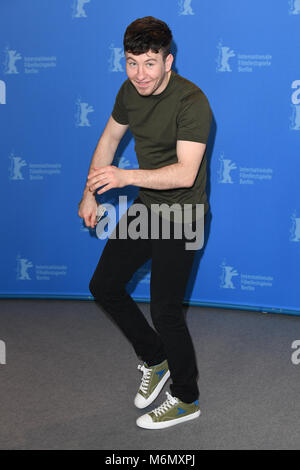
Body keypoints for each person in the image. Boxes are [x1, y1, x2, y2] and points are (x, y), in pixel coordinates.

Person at [78, 16, 212, 430]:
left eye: (150, 63)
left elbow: (186, 173)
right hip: (149, 209)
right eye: (132, 62)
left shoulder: (192, 102)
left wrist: (125, 177)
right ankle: (155, 359)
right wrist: (90, 191)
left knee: (166, 311)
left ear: (168, 61)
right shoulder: (128, 91)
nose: (140, 74)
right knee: (103, 285)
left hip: (184, 214)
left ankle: (186, 398)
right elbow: (109, 139)